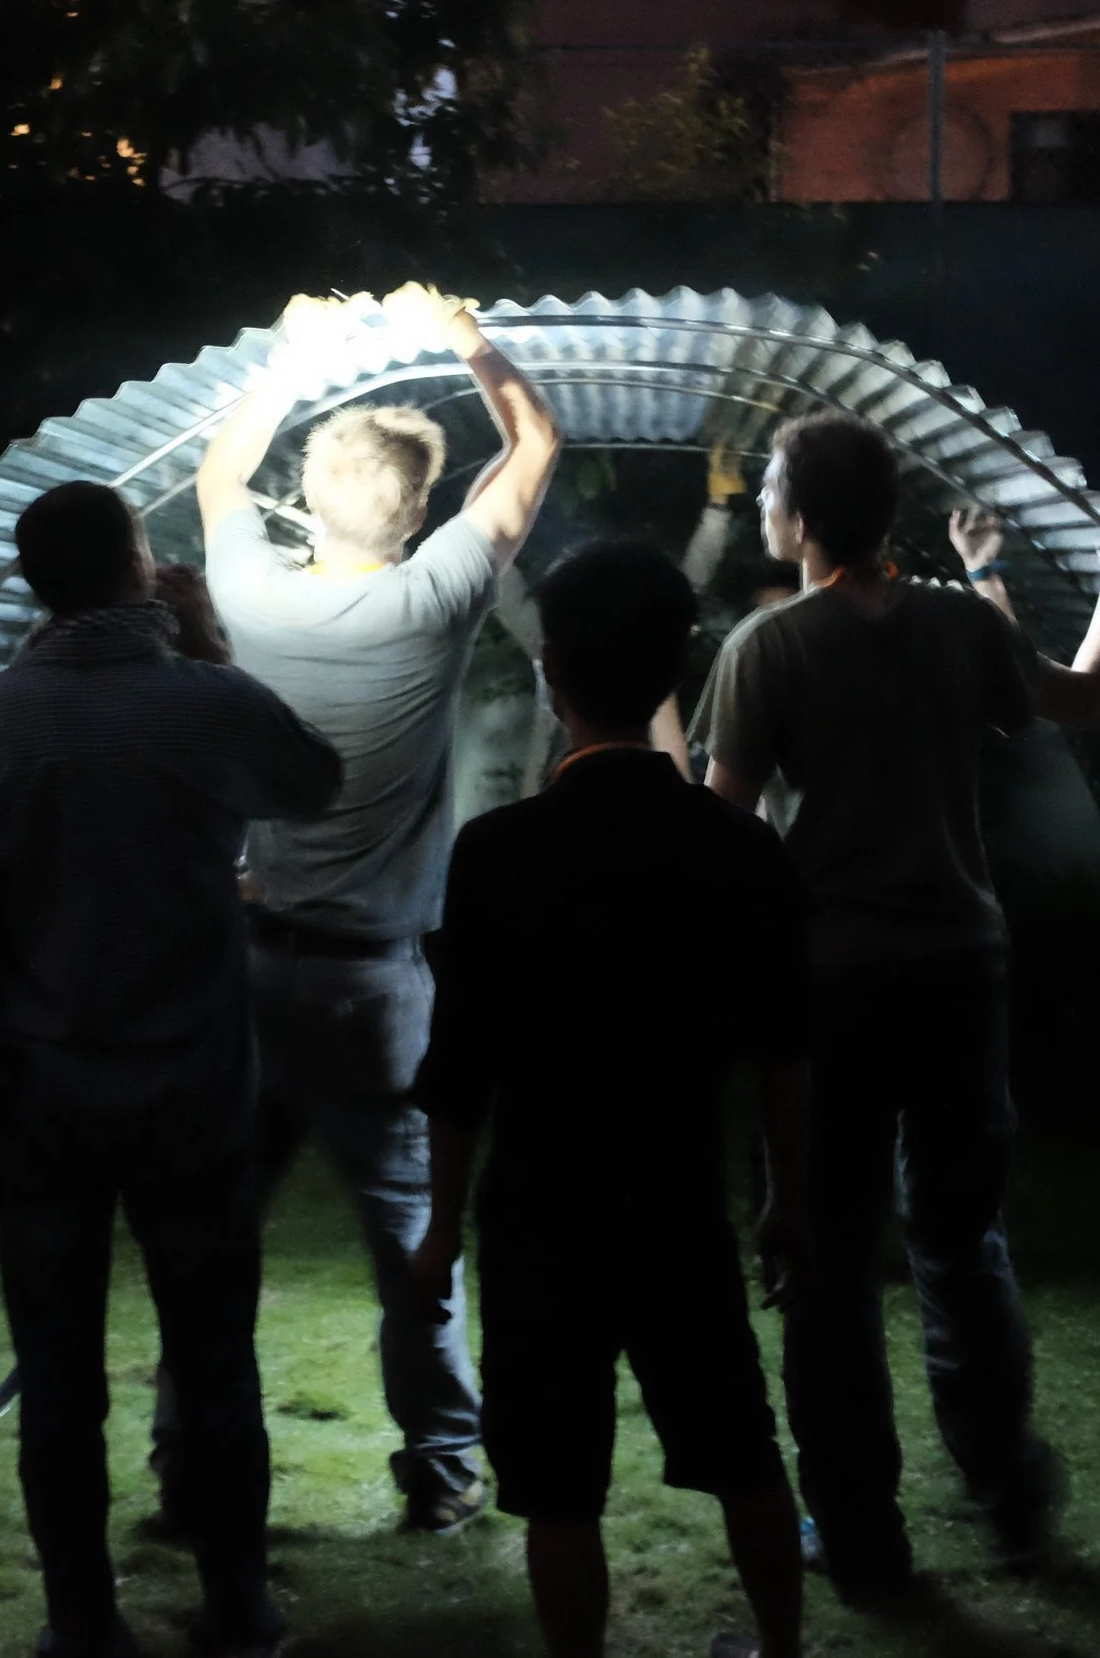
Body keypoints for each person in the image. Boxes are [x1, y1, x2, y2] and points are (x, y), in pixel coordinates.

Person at [695, 410, 1100, 1598]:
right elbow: (1088, 698)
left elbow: (723, 832)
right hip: (961, 970)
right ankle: (1007, 1497)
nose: (756, 510)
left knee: (827, 1255)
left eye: (768, 492)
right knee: (958, 1237)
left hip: (833, 985)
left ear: (797, 514)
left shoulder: (770, 646)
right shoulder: (959, 624)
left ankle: (859, 1536)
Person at [0, 482, 340, 1658]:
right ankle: (240, 1604)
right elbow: (313, 778)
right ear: (138, 565)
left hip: (40, 1096)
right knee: (213, 1355)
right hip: (195, 1095)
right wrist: (210, 646)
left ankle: (82, 1618)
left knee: (57, 1375)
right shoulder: (199, 701)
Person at [190, 282, 562, 1532]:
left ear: (314, 492)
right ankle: (441, 1468)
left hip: (250, 970)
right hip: (376, 979)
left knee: (216, 1233)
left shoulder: (252, 591)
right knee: (412, 1231)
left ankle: (193, 1474)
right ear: (418, 513)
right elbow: (537, 445)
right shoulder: (433, 594)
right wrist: (464, 329)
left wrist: (294, 349)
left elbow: (217, 473)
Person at [410, 542, 814, 1658]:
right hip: (678, 1199)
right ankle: (783, 1645)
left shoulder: (498, 853)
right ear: (670, 674)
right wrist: (787, 1197)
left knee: (554, 1483)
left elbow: (461, 1057)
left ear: (553, 674)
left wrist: (440, 1220)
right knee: (740, 1445)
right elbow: (785, 1045)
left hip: (540, 1205)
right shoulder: (737, 848)